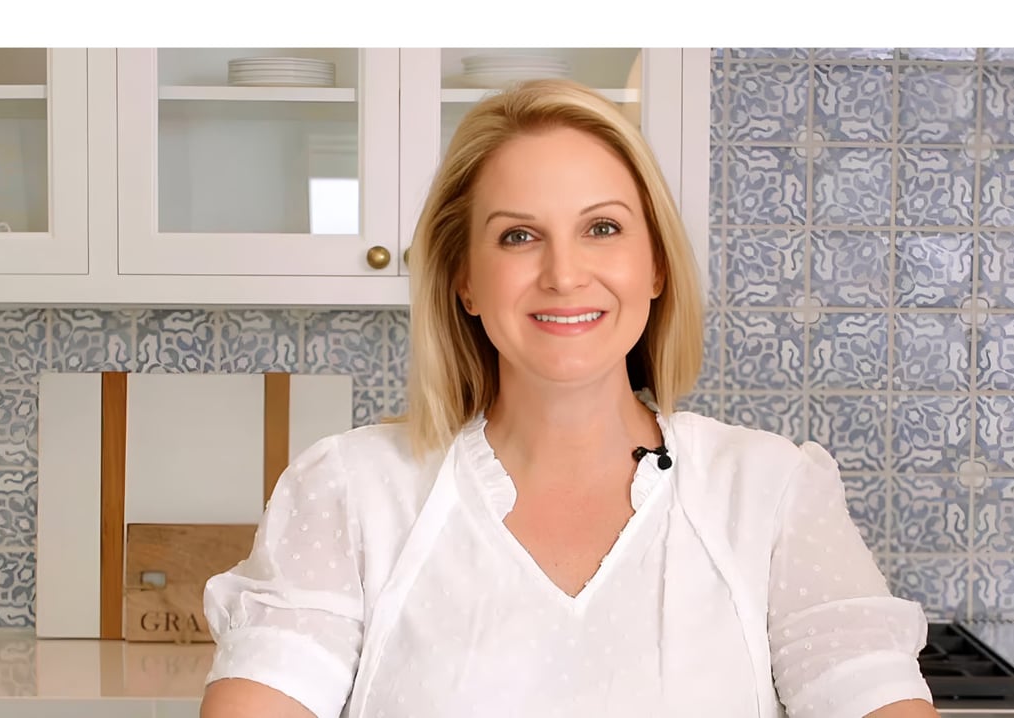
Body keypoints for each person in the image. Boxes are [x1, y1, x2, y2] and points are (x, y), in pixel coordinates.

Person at [199, 77, 939, 718]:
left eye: (603, 228)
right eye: (519, 236)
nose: (563, 273)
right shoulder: (352, 493)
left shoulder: (771, 495)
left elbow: (865, 690)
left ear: (655, 265)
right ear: (464, 279)